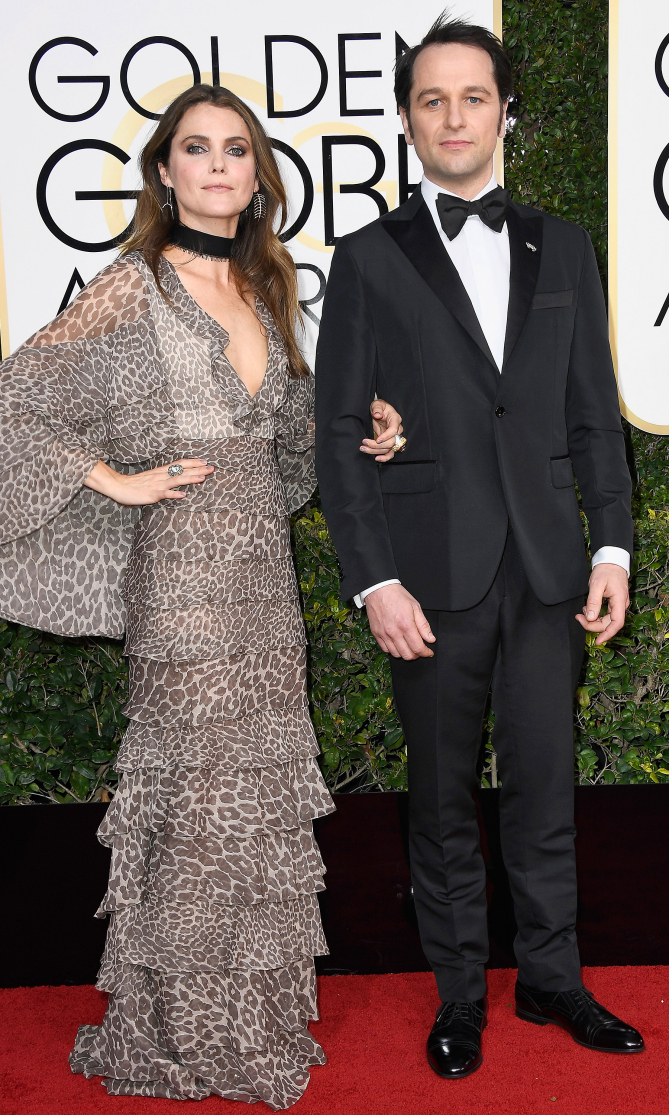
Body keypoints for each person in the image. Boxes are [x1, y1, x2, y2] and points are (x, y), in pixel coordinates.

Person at [0, 85, 403, 1108]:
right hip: (179, 583)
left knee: (254, 811)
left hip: (262, 583)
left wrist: (367, 422)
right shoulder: (134, 284)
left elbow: (289, 434)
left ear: (257, 174)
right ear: (166, 171)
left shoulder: (269, 287)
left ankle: (248, 1022)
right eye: (197, 148)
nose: (219, 166)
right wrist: (117, 478)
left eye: (236, 150)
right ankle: (178, 1032)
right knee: (190, 812)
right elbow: (19, 400)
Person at [315, 14, 645, 1081]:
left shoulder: (569, 244)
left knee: (546, 787)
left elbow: (593, 415)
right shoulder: (365, 259)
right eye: (430, 98)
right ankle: (461, 995)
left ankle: (552, 976)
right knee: (443, 795)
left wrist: (613, 550)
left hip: (552, 568)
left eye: (472, 95)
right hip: (430, 577)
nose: (453, 115)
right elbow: (337, 439)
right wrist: (373, 578)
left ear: (506, 109)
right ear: (407, 120)